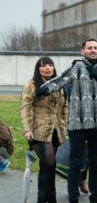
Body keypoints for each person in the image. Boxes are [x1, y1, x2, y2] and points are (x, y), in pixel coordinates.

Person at [37, 39, 97, 203]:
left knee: (96, 165)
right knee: (75, 164)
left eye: (95, 48)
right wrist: (44, 89)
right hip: (77, 124)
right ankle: (73, 198)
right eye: (89, 48)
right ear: (82, 51)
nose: (93, 50)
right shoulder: (76, 67)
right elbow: (60, 80)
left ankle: (95, 198)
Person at [20, 57, 67, 203]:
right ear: (38, 68)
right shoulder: (32, 85)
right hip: (38, 132)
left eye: (50, 65)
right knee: (50, 163)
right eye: (44, 65)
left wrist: (63, 123)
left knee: (46, 167)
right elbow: (25, 108)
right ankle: (50, 198)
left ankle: (44, 198)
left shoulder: (59, 83)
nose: (48, 68)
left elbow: (64, 106)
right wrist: (27, 129)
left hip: (56, 131)